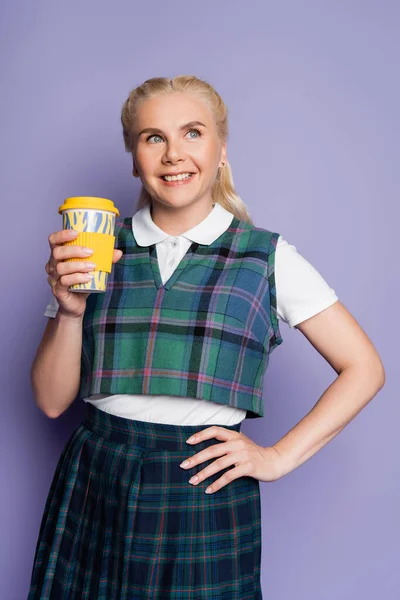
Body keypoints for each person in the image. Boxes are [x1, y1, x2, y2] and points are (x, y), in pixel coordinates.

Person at [28, 75, 385, 599]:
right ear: (134, 157)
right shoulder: (97, 247)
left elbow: (365, 368)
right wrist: (69, 310)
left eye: (192, 133)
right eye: (154, 138)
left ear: (221, 149)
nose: (174, 154)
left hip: (204, 488)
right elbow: (52, 401)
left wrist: (277, 458)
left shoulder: (265, 255)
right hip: (96, 477)